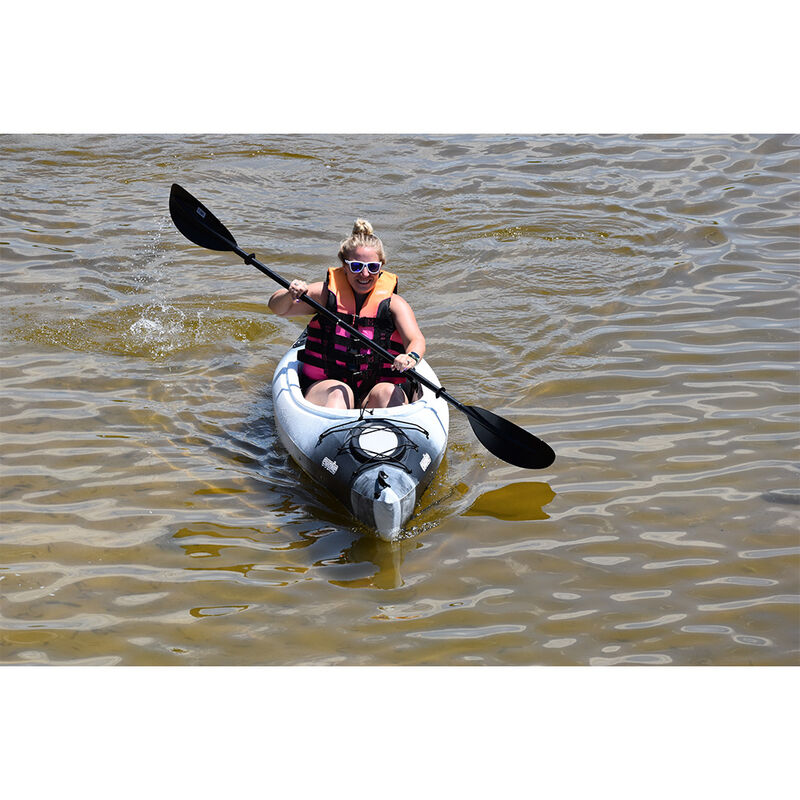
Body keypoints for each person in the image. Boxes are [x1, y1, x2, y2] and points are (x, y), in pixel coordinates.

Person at [268, 219, 425, 409]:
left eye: (372, 267)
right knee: (339, 393)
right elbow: (277, 308)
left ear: (381, 266)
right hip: (327, 385)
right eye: (356, 266)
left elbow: (416, 340)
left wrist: (410, 357)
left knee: (387, 394)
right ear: (344, 265)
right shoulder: (324, 295)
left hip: (375, 389)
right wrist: (290, 293)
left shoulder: (395, 304)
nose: (365, 274)